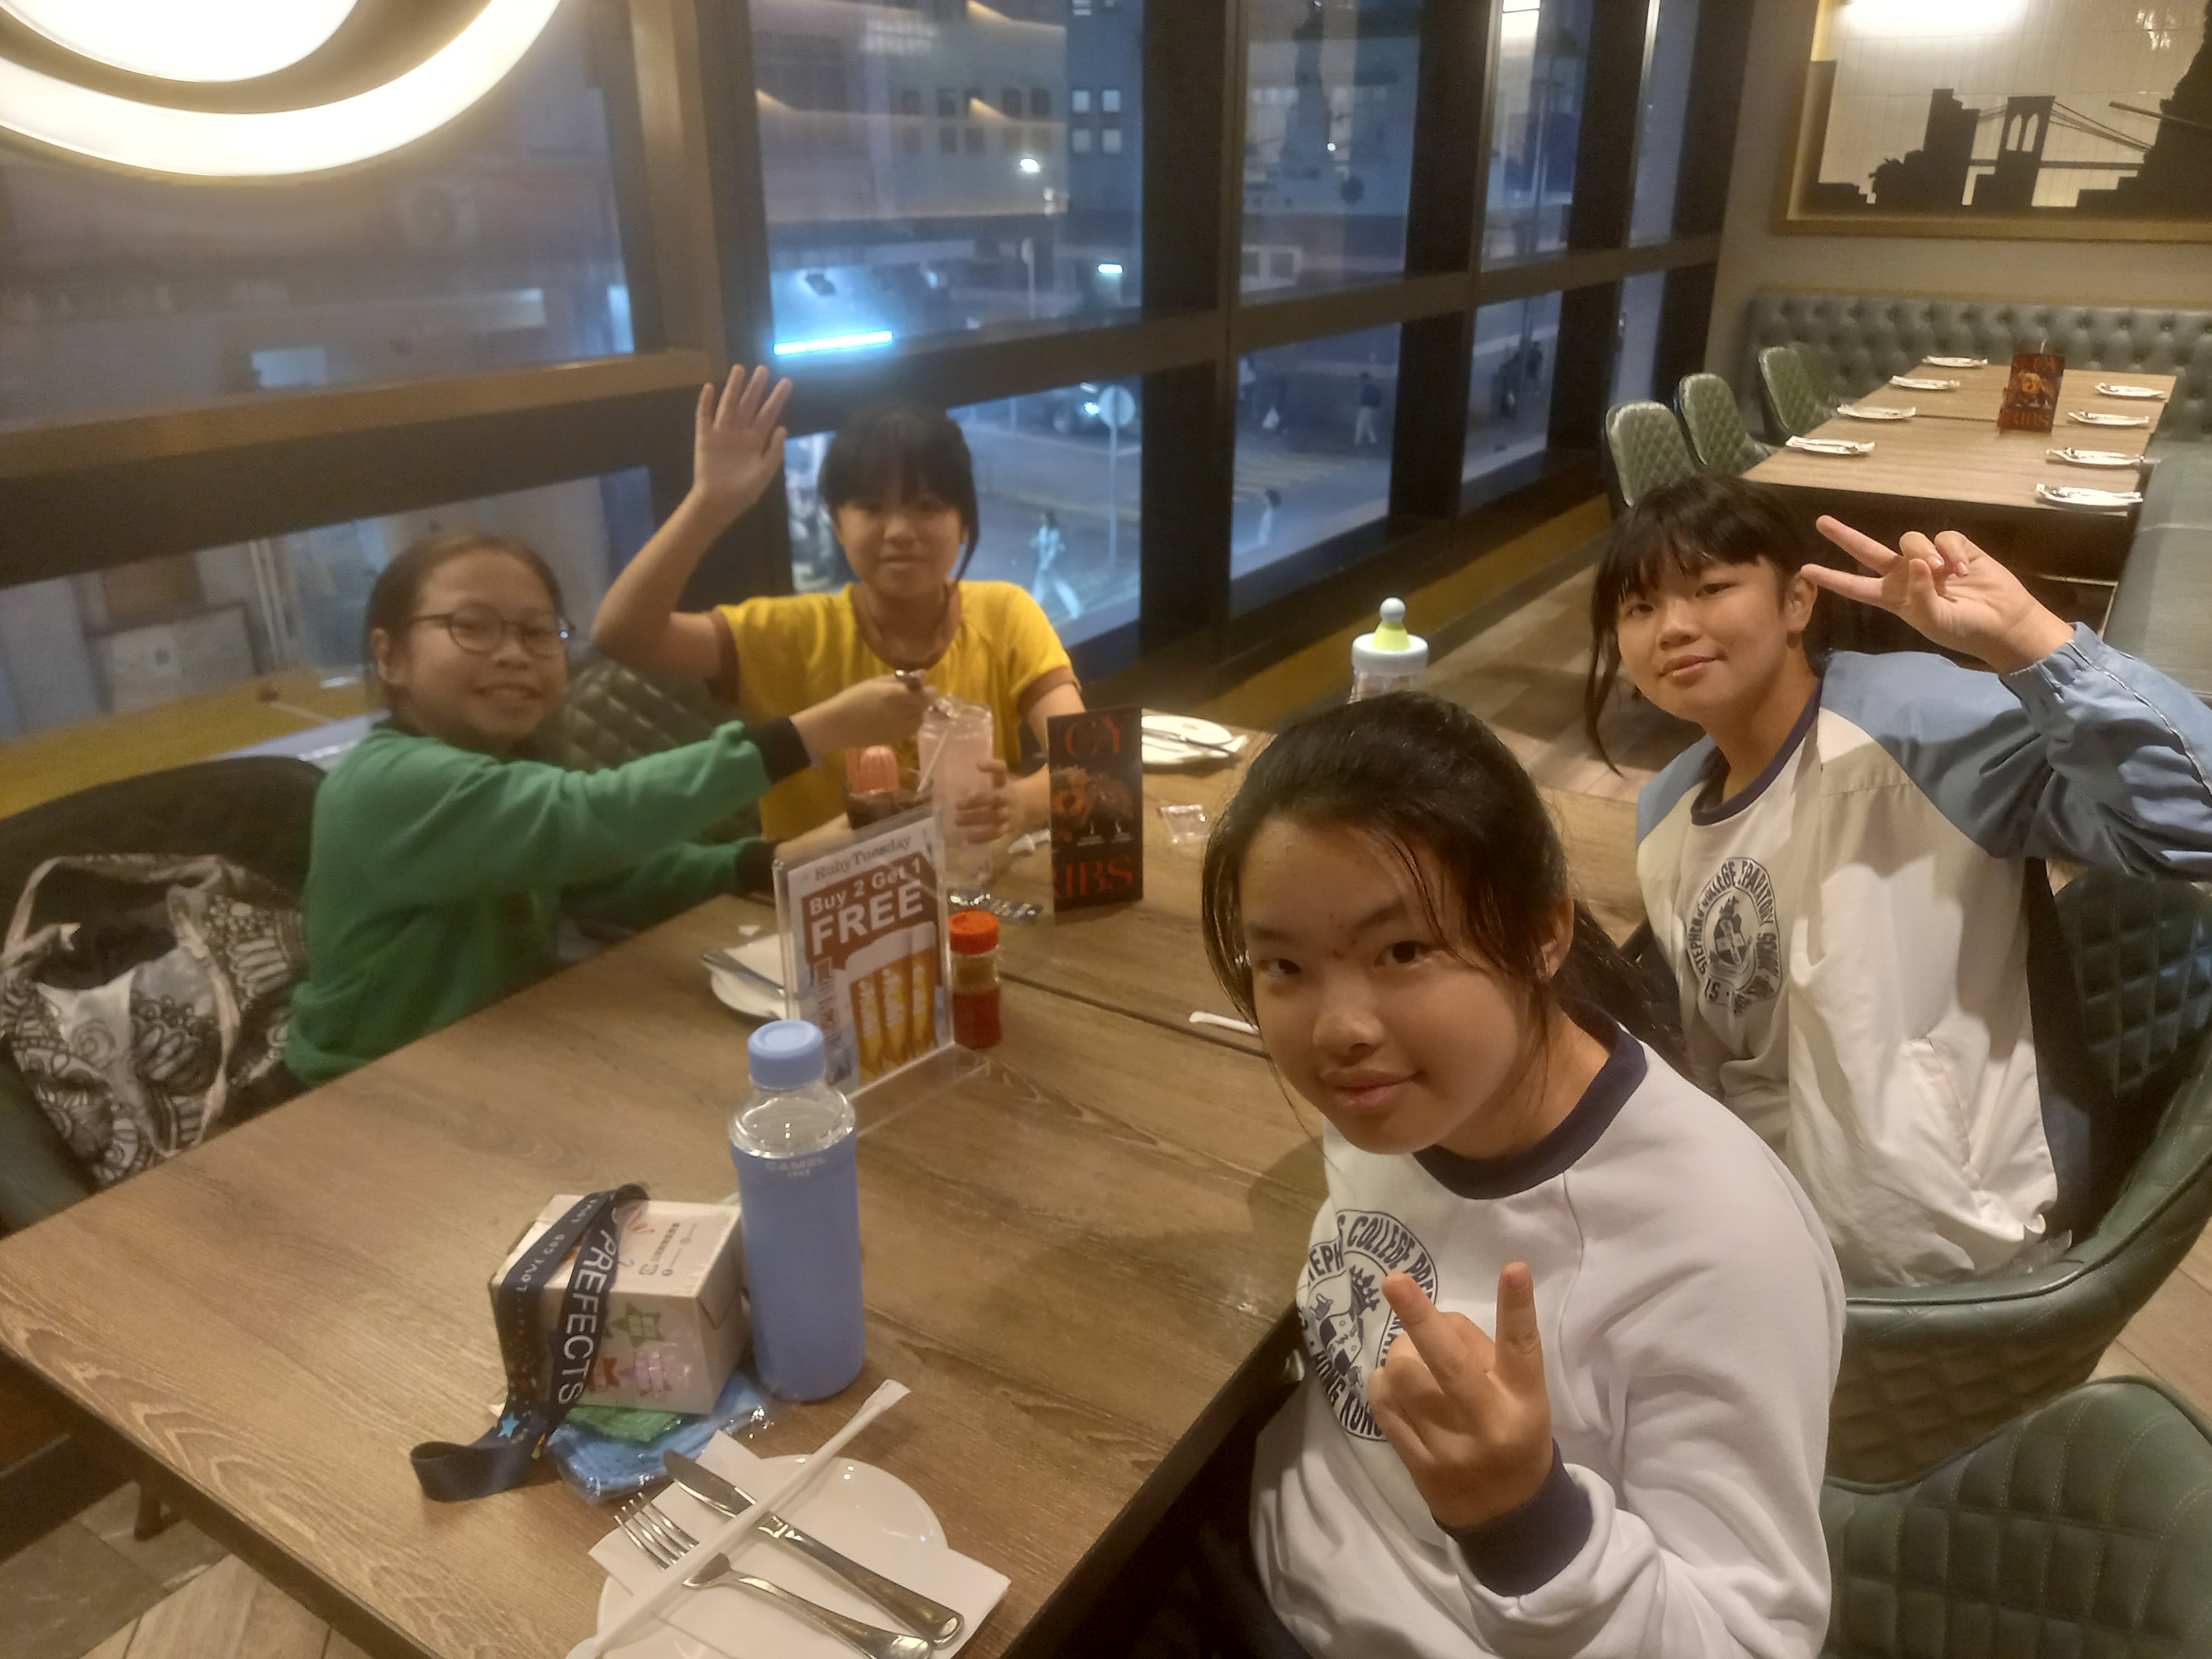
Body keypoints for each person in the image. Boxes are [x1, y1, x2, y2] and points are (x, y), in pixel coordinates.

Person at [1161, 693, 1840, 1658]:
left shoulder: (1722, 1250)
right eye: (1284, 967)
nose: (1338, 1030)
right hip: (1252, 1557)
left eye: (1403, 951)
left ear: (1543, 932)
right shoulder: (1405, 1106)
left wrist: (1525, 1521)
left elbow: (1747, 1642)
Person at [1585, 474, 2212, 1286]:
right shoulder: (1667, 810)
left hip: (1959, 1246)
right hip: (1771, 1233)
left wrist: (2031, 641)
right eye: (1640, 607)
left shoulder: (1923, 728)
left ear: (1797, 601)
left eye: (1709, 589)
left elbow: (2196, 819)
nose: (1673, 627)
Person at [284, 529, 924, 1086]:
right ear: (390, 655)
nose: (513, 653)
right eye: (472, 626)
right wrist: (809, 734)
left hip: (493, 1062)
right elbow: (589, 815)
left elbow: (608, 876)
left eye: (538, 632)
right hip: (360, 1094)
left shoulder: (505, 769)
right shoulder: (386, 783)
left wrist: (764, 860)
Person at [593, 367, 1085, 842]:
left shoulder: (1005, 615)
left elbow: (1086, 756)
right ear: (837, 525)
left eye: (927, 507)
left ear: (964, 525)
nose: (900, 531)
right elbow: (622, 634)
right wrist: (708, 504)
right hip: (823, 892)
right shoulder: (791, 633)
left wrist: (1021, 803)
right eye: (872, 508)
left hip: (972, 887)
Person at [1030, 509, 1082, 622]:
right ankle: (1076, 610)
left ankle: (1076, 610)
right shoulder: (1042, 530)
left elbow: (1053, 552)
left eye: (1044, 519)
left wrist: (1046, 565)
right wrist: (1035, 542)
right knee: (1040, 591)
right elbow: (1039, 544)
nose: (1042, 521)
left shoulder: (1054, 533)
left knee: (1059, 587)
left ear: (1049, 520)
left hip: (1049, 567)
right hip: (1042, 566)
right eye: (1041, 519)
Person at [1353, 372, 1383, 447]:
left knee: (1360, 424)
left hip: (1366, 407)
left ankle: (1357, 442)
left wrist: (1363, 404)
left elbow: (1364, 399)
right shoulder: (1371, 387)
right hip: (1370, 408)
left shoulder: (1368, 387)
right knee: (1367, 425)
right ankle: (1373, 440)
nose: (1361, 381)